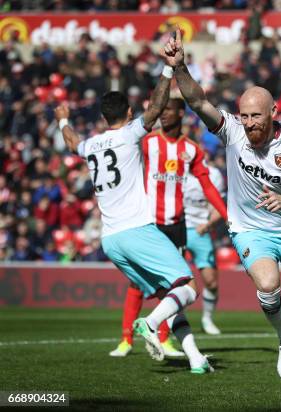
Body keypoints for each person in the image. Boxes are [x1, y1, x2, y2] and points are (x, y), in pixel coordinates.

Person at [167, 29, 281, 400]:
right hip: (249, 228)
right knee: (267, 285)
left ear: (273, 112)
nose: (248, 124)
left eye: (255, 116)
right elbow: (198, 101)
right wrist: (181, 68)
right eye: (243, 116)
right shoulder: (233, 133)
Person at [54, 51, 212, 374]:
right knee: (189, 287)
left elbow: (72, 143)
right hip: (138, 230)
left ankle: (196, 358)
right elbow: (154, 108)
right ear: (128, 112)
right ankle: (151, 325)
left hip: (110, 240)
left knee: (170, 294)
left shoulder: (92, 145)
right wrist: (168, 69)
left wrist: (63, 119)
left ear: (102, 118)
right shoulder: (130, 134)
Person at [109, 97, 227, 357]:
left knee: (174, 284)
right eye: (160, 111)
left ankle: (165, 339)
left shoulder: (192, 150)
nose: (162, 115)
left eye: (168, 111)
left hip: (176, 225)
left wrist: (226, 214)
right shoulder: (148, 142)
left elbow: (208, 185)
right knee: (137, 283)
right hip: (148, 225)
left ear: (181, 114)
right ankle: (126, 339)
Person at [183, 162, 225, 334]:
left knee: (211, 281)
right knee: (175, 281)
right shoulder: (175, 171)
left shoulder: (213, 174)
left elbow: (218, 206)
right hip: (178, 230)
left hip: (201, 231)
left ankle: (207, 319)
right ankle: (174, 320)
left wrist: (207, 224)